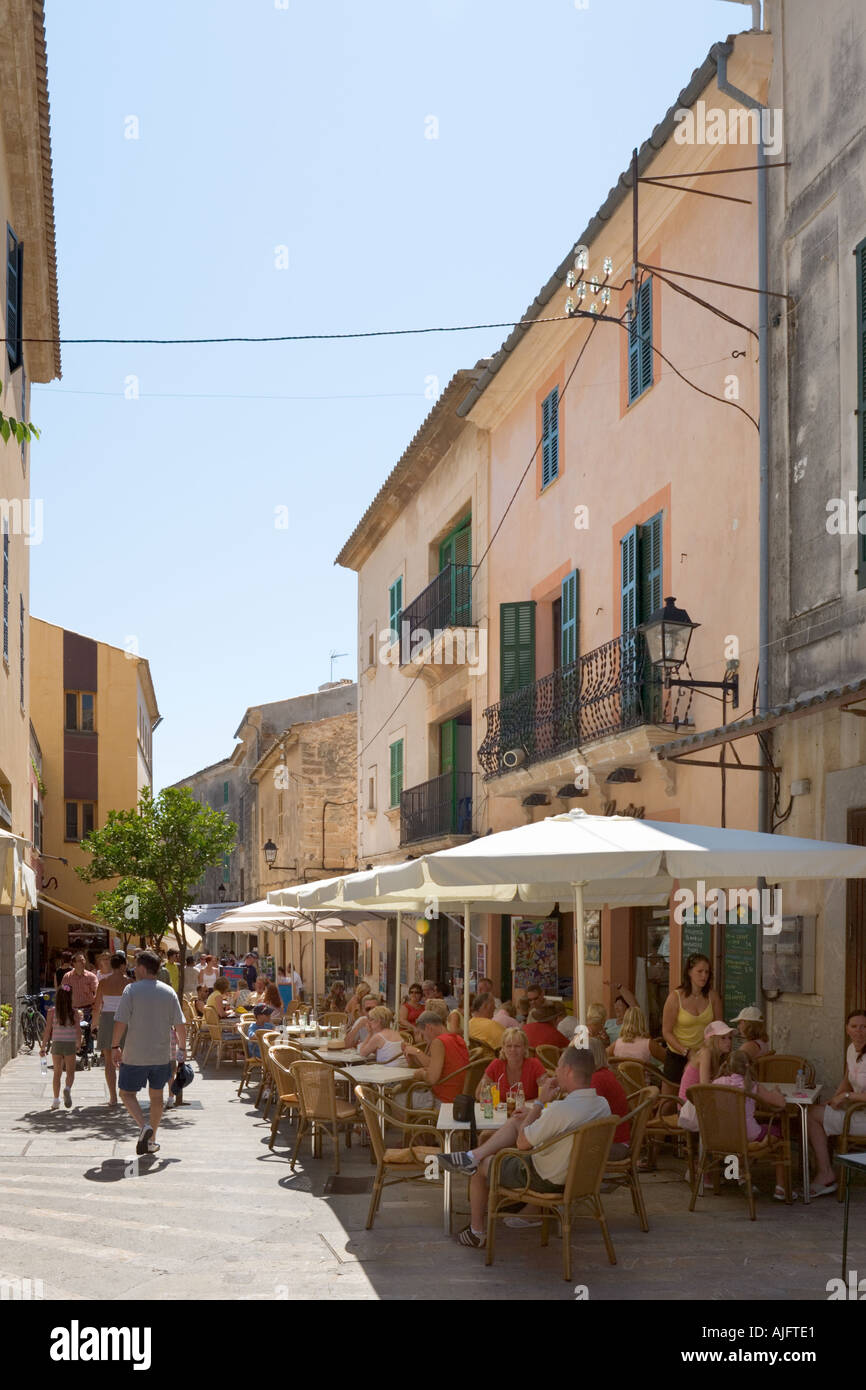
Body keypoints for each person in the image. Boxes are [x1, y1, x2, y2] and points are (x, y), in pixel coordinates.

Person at [443, 1046, 611, 1248]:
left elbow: (522, 1143)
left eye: (558, 1067)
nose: (555, 1072)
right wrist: (534, 1115)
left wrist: (540, 1103)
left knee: (480, 1168)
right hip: (580, 1177)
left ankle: (476, 1232)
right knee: (516, 1124)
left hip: (544, 1177)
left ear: (567, 1070)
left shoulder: (561, 1110)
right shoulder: (602, 1104)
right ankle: (472, 1155)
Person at [111, 949, 186, 1156]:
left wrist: (115, 1046)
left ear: (143, 968)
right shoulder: (168, 992)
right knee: (157, 1097)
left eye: (136, 966)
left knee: (126, 1093)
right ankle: (152, 1140)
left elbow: (120, 1022)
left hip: (135, 1054)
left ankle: (144, 1126)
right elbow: (180, 1025)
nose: (134, 969)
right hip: (161, 1055)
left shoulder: (131, 991)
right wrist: (182, 1049)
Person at [713, 1049, 790, 1199]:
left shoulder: (716, 1083)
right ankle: (781, 1188)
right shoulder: (752, 1086)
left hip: (722, 1136)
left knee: (736, 1141)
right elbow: (780, 1104)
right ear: (749, 1066)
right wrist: (776, 1092)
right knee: (778, 1132)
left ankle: (735, 1175)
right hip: (748, 1135)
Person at [807, 1008, 866, 1197]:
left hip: (861, 1116)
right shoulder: (851, 1049)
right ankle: (825, 1171)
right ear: (847, 1029)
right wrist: (834, 1099)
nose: (859, 1031)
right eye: (854, 1026)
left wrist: (847, 1097)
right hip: (855, 1112)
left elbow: (849, 1092)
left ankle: (826, 1173)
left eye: (864, 1027)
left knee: (811, 1116)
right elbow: (847, 1078)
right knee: (812, 1111)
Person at [660, 953, 723, 1091]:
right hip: (677, 1054)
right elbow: (666, 1032)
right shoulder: (675, 997)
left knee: (700, 1097)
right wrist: (686, 1052)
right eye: (699, 971)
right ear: (689, 972)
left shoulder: (713, 996)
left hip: (704, 1056)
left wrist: (711, 1051)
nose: (704, 976)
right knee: (668, 1103)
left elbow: (719, 1029)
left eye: (707, 972)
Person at [403, 1011, 470, 1104]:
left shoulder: (438, 1042)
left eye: (422, 1034)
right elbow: (446, 1067)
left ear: (428, 1027)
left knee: (398, 1098)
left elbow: (432, 1079)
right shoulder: (458, 1039)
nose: (424, 1039)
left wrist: (421, 1074)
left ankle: (412, 1118)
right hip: (459, 1097)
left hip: (442, 1099)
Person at [91, 953, 130, 1104]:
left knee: (108, 1061)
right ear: (122, 965)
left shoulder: (104, 982)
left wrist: (94, 1025)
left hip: (107, 1020)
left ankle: (113, 1097)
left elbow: (97, 1006)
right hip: (125, 1020)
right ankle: (124, 1092)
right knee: (126, 1059)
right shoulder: (129, 983)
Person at [477, 1027, 547, 1102]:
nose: (512, 1050)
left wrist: (523, 1105)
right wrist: (500, 1105)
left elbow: (548, 1094)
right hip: (501, 1112)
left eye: (517, 1046)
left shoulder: (534, 1065)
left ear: (525, 1047)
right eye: (509, 1046)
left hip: (530, 1111)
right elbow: (479, 1094)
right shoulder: (496, 1065)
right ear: (503, 1048)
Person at [40, 984, 81, 1110]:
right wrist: (78, 1044)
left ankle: (56, 1100)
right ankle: (67, 1088)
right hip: (69, 1044)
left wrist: (43, 1047)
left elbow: (47, 1031)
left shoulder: (51, 1012)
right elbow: (78, 1031)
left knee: (57, 1073)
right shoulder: (74, 1013)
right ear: (70, 997)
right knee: (70, 1073)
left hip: (57, 1044)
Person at [587, 1036, 630, 1154]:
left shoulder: (596, 1079)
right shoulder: (604, 1074)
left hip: (612, 1144)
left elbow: (589, 1115)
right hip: (618, 1140)